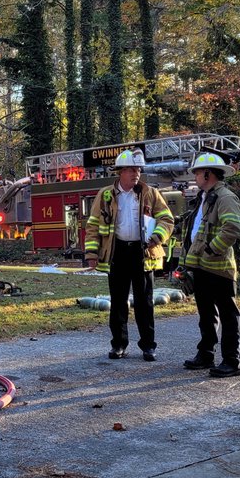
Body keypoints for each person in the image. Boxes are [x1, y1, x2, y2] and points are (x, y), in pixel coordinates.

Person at [83, 149, 175, 362]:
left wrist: (157, 237)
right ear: (120, 172)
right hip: (117, 252)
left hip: (142, 252)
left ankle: (148, 346)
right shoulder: (105, 195)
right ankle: (119, 345)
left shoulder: (150, 193)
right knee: (118, 302)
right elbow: (93, 225)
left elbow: (167, 219)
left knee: (145, 302)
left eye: (139, 169)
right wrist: (91, 254)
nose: (136, 174)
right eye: (131, 170)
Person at [181, 152, 240, 378]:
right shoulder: (204, 197)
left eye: (197, 172)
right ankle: (206, 354)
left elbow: (234, 229)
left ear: (208, 173)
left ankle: (231, 361)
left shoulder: (225, 197)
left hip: (218, 269)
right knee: (206, 314)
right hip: (201, 268)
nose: (195, 177)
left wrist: (211, 250)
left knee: (228, 314)